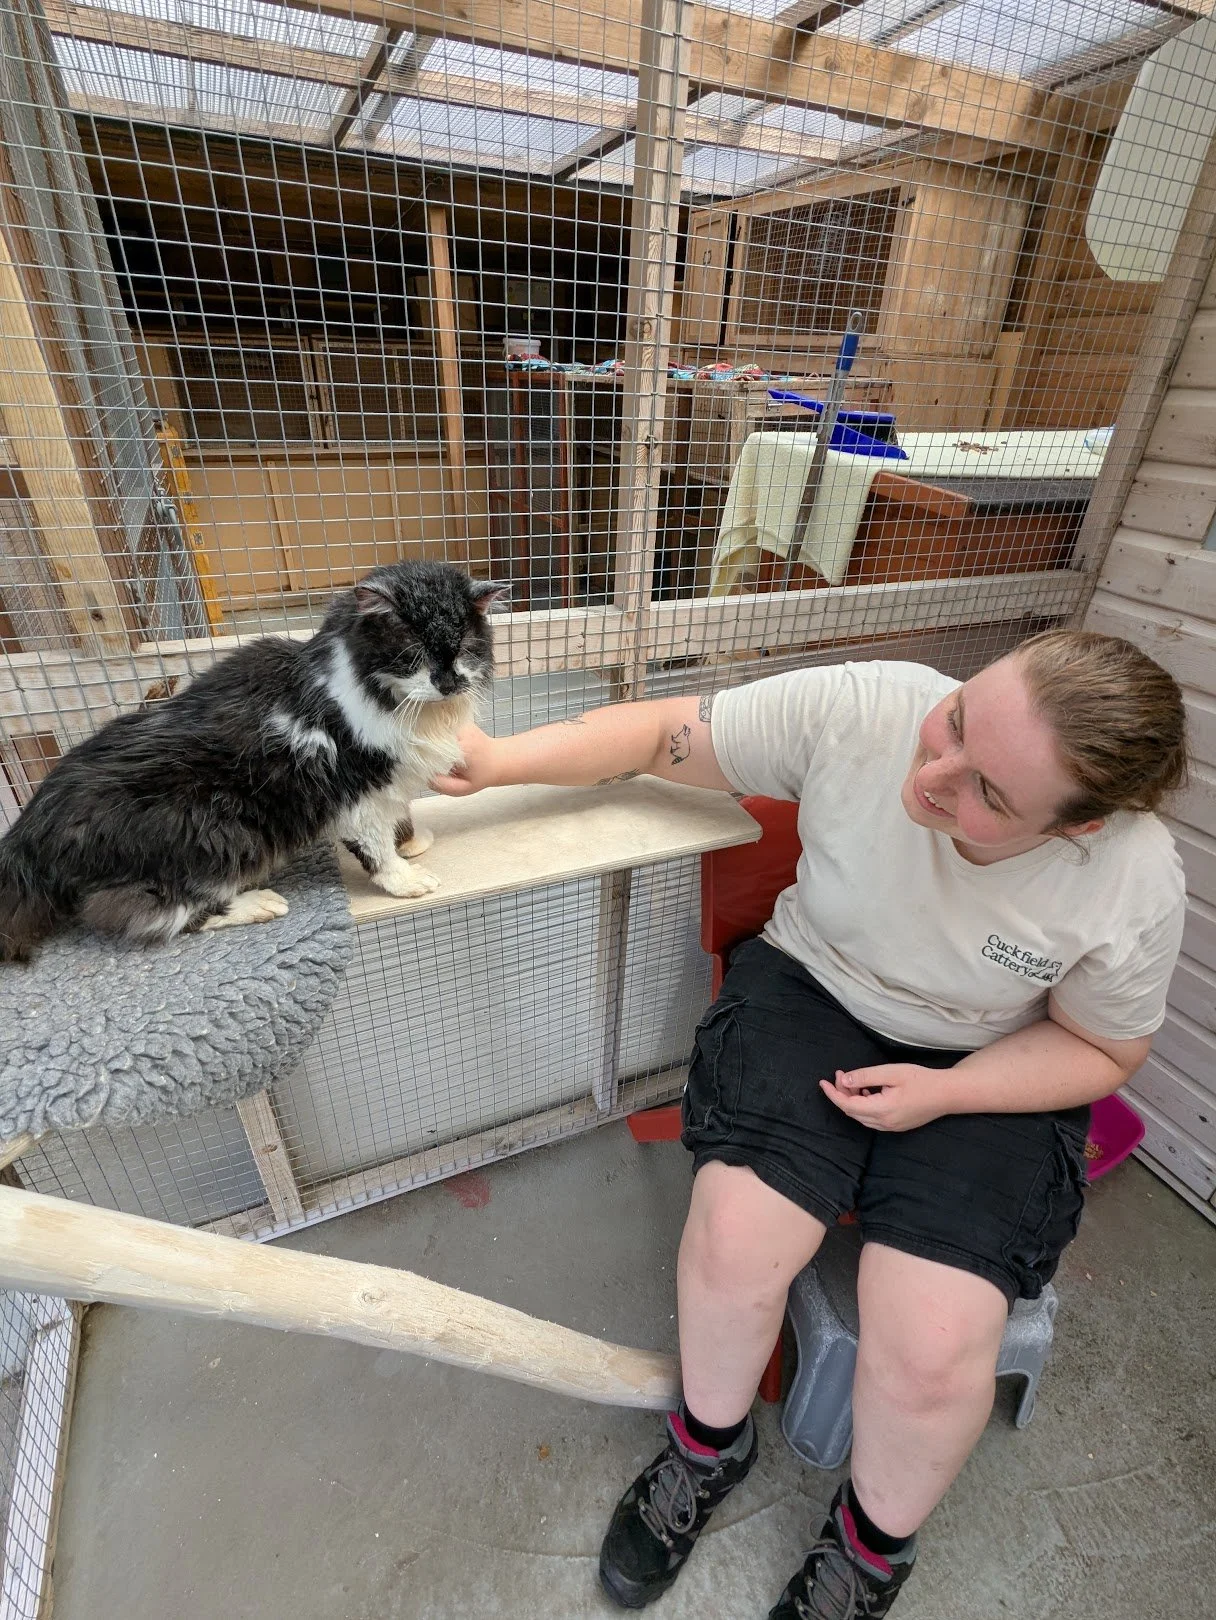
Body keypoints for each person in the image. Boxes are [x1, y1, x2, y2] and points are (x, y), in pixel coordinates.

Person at [430, 630, 1187, 1619]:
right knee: (737, 1239)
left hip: (995, 1054)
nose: (932, 776)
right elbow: (662, 730)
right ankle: (708, 1448)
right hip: (816, 988)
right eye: (955, 723)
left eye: (988, 796)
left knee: (933, 1343)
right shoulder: (869, 706)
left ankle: (869, 1553)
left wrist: (945, 1094)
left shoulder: (1131, 877)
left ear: (1078, 828)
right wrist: (497, 762)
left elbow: (1102, 1051)